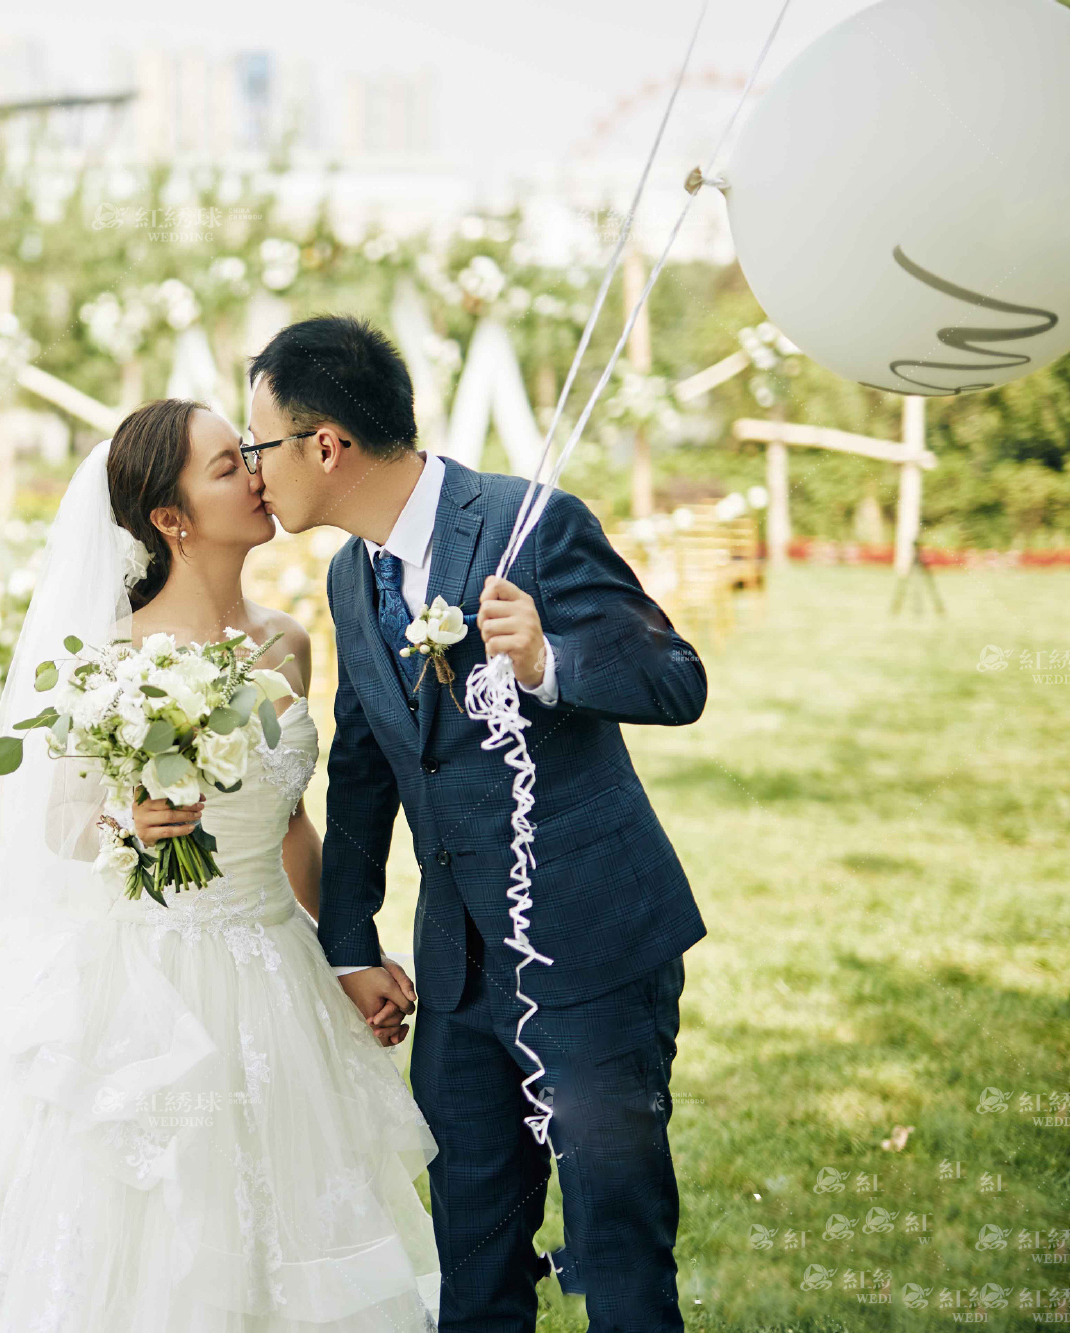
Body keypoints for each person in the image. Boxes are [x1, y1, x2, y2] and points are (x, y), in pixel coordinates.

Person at [0, 396, 442, 1331]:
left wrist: (349, 953)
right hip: (149, 978)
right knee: (157, 1220)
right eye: (227, 466)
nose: (256, 473)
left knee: (290, 1214)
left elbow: (290, 823)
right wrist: (125, 819)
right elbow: (53, 825)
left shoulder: (287, 643)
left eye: (246, 453)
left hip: (274, 966)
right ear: (171, 518)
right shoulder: (110, 658)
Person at [246, 314, 709, 1332]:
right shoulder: (350, 575)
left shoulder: (530, 522)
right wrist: (348, 941)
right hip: (457, 974)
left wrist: (549, 664)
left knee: (617, 1252)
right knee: (473, 1260)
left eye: (258, 444)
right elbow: (365, 765)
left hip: (592, 947)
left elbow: (678, 679)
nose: (251, 469)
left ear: (325, 445)